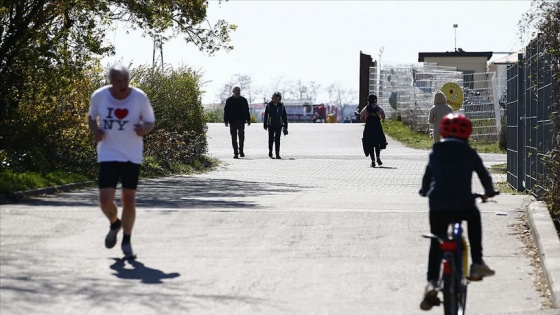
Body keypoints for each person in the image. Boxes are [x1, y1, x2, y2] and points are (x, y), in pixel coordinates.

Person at [418, 113, 497, 311]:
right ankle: (477, 262)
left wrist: (424, 191)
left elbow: (427, 179)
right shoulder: (469, 152)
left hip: (437, 205)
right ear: (467, 133)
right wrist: (488, 192)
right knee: (474, 216)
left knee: (438, 240)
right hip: (464, 204)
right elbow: (484, 176)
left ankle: (432, 283)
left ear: (442, 131)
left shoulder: (436, 151)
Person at [88, 64, 156, 259]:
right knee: (105, 201)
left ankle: (126, 240)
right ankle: (115, 223)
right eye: (118, 81)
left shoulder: (139, 97)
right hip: (108, 153)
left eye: (125, 80)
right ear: (111, 81)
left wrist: (144, 128)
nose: (123, 84)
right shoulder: (100, 96)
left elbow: (150, 121)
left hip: (131, 155)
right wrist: (95, 130)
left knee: (129, 199)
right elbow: (92, 117)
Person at [360, 94, 388, 167]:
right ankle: (378, 157)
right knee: (377, 143)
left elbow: (361, 117)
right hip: (377, 127)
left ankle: (373, 161)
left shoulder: (366, 108)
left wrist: (366, 118)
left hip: (369, 128)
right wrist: (382, 120)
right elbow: (383, 115)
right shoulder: (378, 108)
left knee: (370, 144)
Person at [224, 86, 251, 159]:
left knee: (241, 137)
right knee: (233, 137)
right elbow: (226, 111)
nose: (237, 92)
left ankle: (241, 150)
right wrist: (225, 120)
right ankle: (236, 152)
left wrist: (248, 119)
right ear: (233, 91)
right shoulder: (229, 100)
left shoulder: (243, 100)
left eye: (238, 90)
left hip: (241, 121)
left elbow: (247, 110)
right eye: (236, 90)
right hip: (232, 121)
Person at [263, 92, 288, 159]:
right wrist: (265, 124)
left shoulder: (281, 105)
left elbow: (284, 116)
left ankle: (277, 154)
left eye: (278, 98)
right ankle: (270, 151)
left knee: (277, 139)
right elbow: (266, 115)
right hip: (271, 125)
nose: (276, 99)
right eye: (275, 97)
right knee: (271, 139)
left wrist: (285, 126)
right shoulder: (269, 105)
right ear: (273, 97)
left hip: (279, 125)